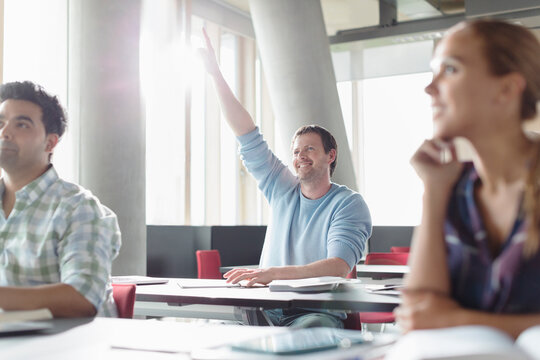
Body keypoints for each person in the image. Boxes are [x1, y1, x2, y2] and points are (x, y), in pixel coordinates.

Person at [199, 30, 371, 328]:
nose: (300, 156)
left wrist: (272, 273)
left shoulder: (349, 204)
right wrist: (215, 75)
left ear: (331, 156)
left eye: (310, 149)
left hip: (314, 314)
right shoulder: (283, 189)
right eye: (296, 151)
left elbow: (337, 267)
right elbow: (247, 135)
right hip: (263, 309)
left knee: (306, 334)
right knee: (208, 333)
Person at [394, 19, 540, 339]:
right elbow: (417, 312)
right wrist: (432, 190)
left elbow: (438, 319)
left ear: (506, 89)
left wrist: (457, 321)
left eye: (450, 70)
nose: (429, 88)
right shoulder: (452, 188)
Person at [0, 81, 121, 317]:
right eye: (0, 122)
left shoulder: (78, 207)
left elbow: (82, 297)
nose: (5, 132)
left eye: (21, 124)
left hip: (68, 348)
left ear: (50, 142)